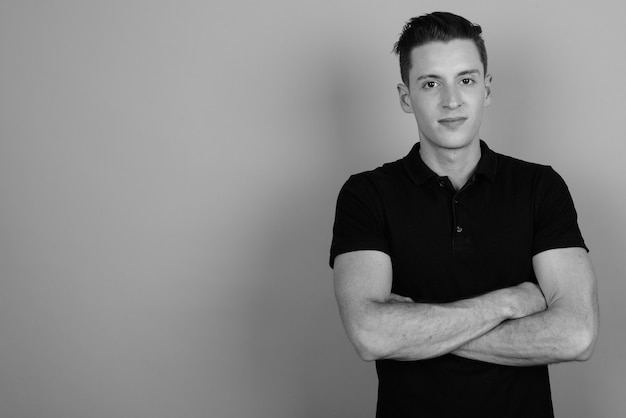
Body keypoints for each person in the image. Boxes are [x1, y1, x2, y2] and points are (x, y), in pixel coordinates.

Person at [329, 11, 599, 418]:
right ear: (406, 97)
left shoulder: (540, 187)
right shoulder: (365, 195)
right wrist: (510, 301)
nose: (451, 100)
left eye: (466, 80)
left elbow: (576, 335)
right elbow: (370, 335)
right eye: (431, 83)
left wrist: (415, 332)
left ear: (486, 89)